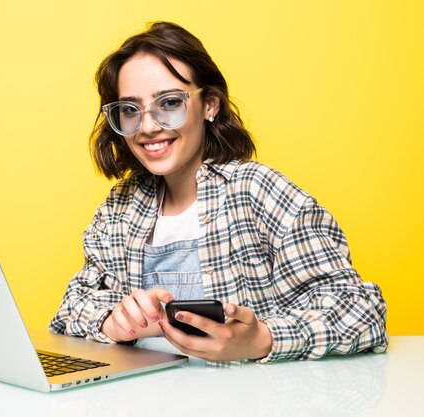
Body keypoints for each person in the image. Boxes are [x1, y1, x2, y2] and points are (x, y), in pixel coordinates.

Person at [49, 21, 388, 362]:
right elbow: (70, 309)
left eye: (169, 103)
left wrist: (264, 340)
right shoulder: (119, 210)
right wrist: (112, 321)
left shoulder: (258, 191)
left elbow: (361, 310)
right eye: (130, 110)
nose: (148, 127)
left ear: (210, 105)